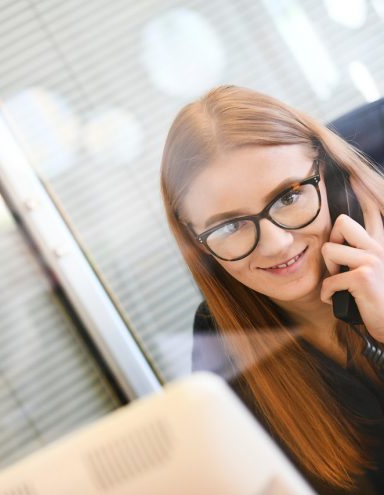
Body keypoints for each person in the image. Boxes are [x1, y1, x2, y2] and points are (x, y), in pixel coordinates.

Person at [159, 85, 384, 494]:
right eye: (229, 226)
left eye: (289, 196)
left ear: (331, 173)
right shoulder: (220, 338)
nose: (276, 243)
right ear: (196, 241)